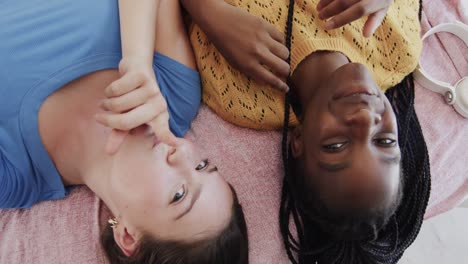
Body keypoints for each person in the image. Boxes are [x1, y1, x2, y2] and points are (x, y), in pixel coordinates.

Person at [182, 0, 430, 263]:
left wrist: (209, 12)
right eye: (385, 140)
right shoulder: (397, 50)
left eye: (336, 145)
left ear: (298, 141)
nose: (366, 118)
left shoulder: (237, 94)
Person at [0, 0, 248, 263]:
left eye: (179, 194)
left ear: (128, 236)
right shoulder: (174, 96)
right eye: (202, 165)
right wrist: (137, 60)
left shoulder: (13, 175)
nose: (181, 153)